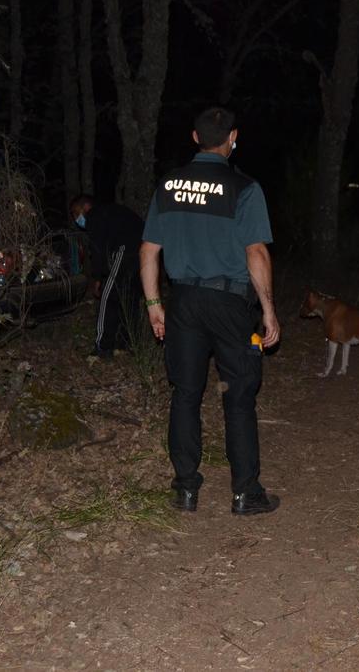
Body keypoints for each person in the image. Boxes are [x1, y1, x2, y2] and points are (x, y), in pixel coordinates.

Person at [139, 107, 282, 516]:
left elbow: (149, 250)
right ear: (232, 137)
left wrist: (154, 305)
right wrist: (269, 311)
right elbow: (255, 251)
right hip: (230, 304)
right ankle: (245, 493)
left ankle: (185, 488)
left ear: (195, 136)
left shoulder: (168, 185)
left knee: (185, 394)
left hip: (183, 301)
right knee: (239, 396)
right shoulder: (244, 188)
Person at [70, 195, 145, 357]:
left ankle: (102, 347)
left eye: (76, 213)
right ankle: (128, 343)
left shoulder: (94, 216)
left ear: (85, 207)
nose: (77, 219)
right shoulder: (110, 212)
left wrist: (98, 277)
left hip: (126, 250)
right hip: (143, 253)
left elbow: (98, 249)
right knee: (129, 299)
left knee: (107, 297)